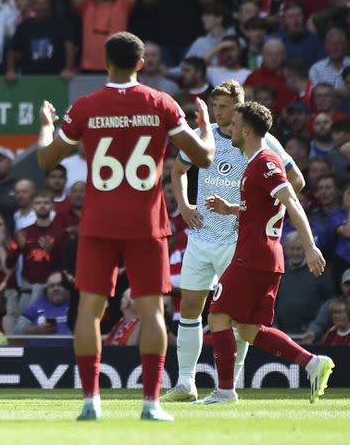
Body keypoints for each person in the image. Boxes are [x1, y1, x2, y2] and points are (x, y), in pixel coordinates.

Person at [35, 31, 216, 421]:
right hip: (146, 223)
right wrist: (205, 128)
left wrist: (47, 126)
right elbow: (203, 157)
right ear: (140, 64)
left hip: (98, 222)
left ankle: (90, 402)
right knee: (152, 312)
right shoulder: (161, 103)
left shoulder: (86, 106)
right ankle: (150, 403)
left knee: (90, 310)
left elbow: (47, 160)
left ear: (106, 62)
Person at [163, 80, 304, 403]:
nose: (218, 112)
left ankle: (230, 384)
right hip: (201, 235)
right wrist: (184, 206)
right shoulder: (206, 136)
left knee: (236, 318)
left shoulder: (262, 142)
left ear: (239, 106)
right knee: (190, 308)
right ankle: (185, 382)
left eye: (225, 107)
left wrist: (262, 214)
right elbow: (178, 170)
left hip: (237, 242)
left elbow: (296, 181)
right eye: (215, 106)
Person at [201, 101, 334, 405]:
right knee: (249, 330)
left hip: (254, 255)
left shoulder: (264, 161)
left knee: (218, 314)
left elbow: (292, 202)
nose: (230, 129)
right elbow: (265, 209)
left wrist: (310, 246)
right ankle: (313, 363)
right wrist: (231, 208)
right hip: (266, 256)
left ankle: (225, 391)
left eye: (234, 124)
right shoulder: (257, 163)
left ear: (246, 129)